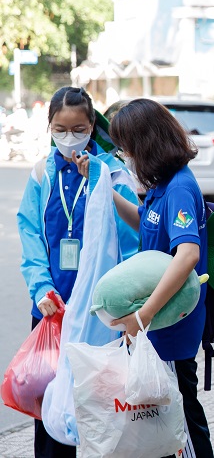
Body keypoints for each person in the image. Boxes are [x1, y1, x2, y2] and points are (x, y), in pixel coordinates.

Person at [83, 98, 214, 458]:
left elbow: (187, 254)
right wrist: (103, 189)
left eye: (126, 148)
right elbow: (146, 223)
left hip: (172, 324)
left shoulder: (180, 188)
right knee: (166, 418)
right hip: (157, 323)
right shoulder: (161, 186)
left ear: (146, 144)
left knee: (181, 420)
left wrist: (145, 315)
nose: (125, 156)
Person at [16, 87, 139, 457]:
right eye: (61, 128)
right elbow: (31, 234)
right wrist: (41, 288)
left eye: (79, 128)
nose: (70, 138)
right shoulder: (41, 174)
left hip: (99, 313)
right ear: (49, 126)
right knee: (49, 405)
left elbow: (131, 239)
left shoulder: (113, 173)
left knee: (98, 406)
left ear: (92, 127)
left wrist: (98, 178)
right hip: (51, 309)